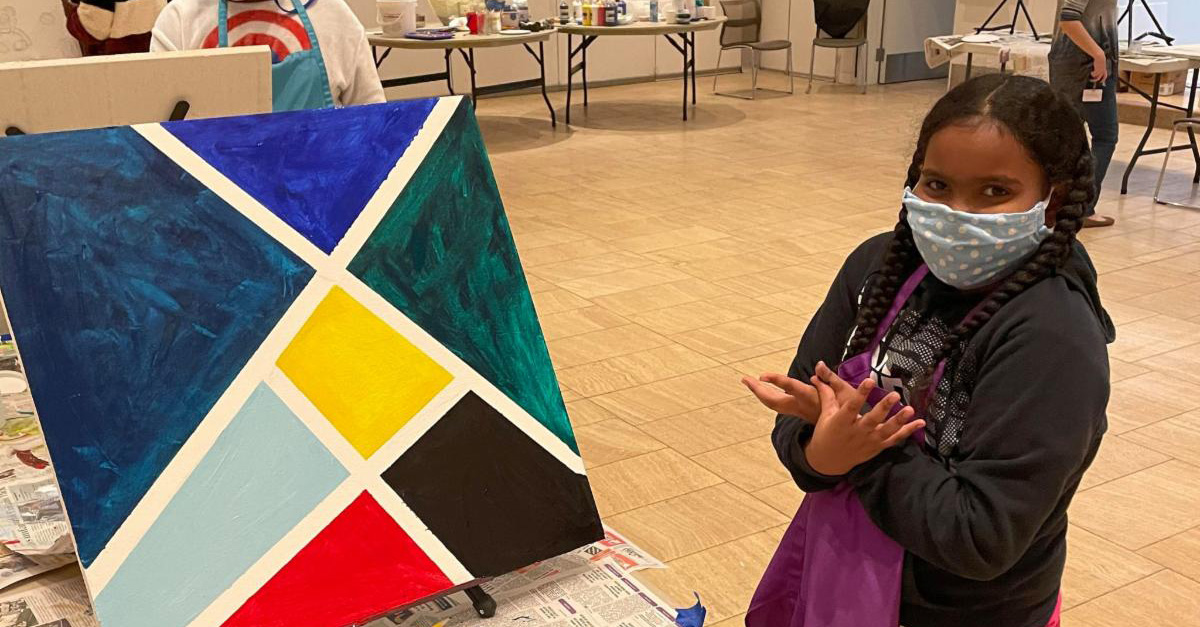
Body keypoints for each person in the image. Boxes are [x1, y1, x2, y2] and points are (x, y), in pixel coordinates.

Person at [742, 74, 1115, 627]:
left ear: (1052, 198)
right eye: (937, 186)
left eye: (995, 192)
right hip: (839, 566)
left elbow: (980, 538)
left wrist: (858, 447)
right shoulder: (877, 268)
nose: (957, 213)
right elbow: (799, 416)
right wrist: (823, 455)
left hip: (959, 608)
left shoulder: (1052, 336)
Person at [151, 0, 385, 110]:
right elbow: (158, 135)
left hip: (319, 189)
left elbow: (374, 121)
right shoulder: (178, 21)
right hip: (212, 197)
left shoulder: (333, 15)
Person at [1050, 0, 1118, 228]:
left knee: (1069, 137)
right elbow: (1069, 19)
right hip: (1085, 65)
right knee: (1106, 136)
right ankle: (1083, 208)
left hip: (1071, 62)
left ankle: (1061, 205)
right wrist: (1098, 55)